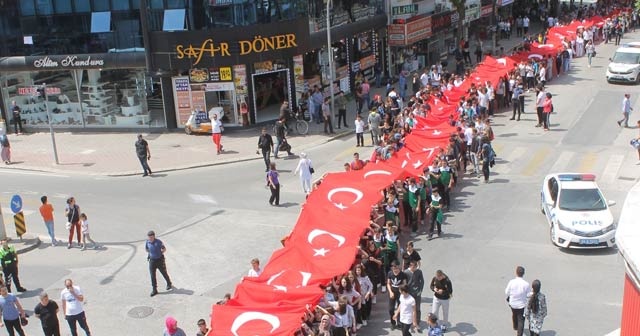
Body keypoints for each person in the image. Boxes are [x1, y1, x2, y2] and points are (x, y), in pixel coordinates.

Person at [145, 230, 173, 297]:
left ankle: (169, 283)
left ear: (154, 236)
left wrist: (160, 253)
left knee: (164, 273)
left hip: (159, 261)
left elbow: (164, 249)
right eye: (149, 237)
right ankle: (154, 290)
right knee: (152, 276)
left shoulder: (159, 242)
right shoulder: (147, 242)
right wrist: (150, 253)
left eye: (151, 237)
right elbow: (146, 249)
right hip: (152, 261)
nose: (150, 239)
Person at [505, 266, 531, 336]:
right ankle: (519, 334)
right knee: (521, 319)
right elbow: (528, 295)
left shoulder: (511, 282)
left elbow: (506, 292)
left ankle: (515, 326)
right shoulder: (526, 284)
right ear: (523, 274)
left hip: (512, 304)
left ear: (516, 273)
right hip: (521, 305)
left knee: (514, 314)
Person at [387, 260, 407, 330]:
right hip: (392, 293)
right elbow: (388, 283)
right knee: (391, 309)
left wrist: (401, 289)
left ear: (399, 267)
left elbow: (405, 284)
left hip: (400, 293)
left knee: (400, 308)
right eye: (393, 268)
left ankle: (399, 322)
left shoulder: (403, 274)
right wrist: (390, 292)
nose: (395, 270)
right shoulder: (390, 273)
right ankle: (393, 323)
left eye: (396, 268)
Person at [404, 261, 424, 328]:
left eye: (415, 267)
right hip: (409, 293)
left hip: (417, 293)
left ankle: (417, 322)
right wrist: (405, 292)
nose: (414, 268)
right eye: (413, 267)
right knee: (409, 308)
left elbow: (422, 281)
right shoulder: (406, 272)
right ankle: (410, 321)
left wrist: (420, 291)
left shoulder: (419, 272)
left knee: (417, 308)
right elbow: (404, 283)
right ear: (410, 266)